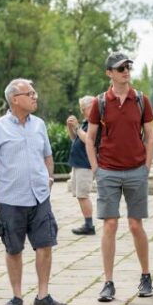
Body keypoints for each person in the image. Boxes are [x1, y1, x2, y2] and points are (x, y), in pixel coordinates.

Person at [0, 78, 69, 305]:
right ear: (14, 99)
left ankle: (43, 295)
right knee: (13, 248)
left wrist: (49, 180)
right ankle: (16, 296)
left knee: (45, 245)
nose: (35, 96)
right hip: (11, 199)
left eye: (34, 93)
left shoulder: (39, 125)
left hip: (40, 198)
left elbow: (48, 156)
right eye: (29, 93)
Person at [85, 52, 153, 302]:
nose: (126, 71)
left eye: (128, 67)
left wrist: (146, 166)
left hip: (136, 169)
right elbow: (90, 138)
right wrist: (96, 169)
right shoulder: (100, 102)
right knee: (110, 225)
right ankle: (108, 282)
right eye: (120, 68)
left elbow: (150, 135)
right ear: (109, 73)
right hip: (108, 171)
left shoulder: (141, 100)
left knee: (136, 225)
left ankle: (146, 276)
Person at [66, 96, 97, 236]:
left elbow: (88, 140)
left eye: (85, 108)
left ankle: (89, 225)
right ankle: (87, 223)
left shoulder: (95, 123)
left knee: (83, 194)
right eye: (82, 108)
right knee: (80, 195)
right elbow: (75, 139)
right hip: (78, 163)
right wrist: (71, 127)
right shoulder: (86, 122)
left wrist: (77, 127)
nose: (83, 110)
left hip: (85, 164)